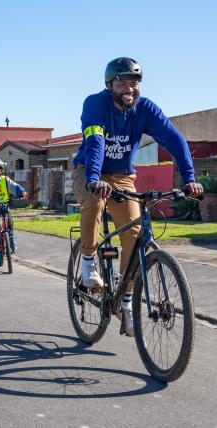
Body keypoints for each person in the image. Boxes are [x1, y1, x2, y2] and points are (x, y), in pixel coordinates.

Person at [73, 57, 203, 336]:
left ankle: (127, 304)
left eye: (133, 82)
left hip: (122, 177)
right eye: (122, 83)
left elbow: (174, 139)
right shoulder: (95, 104)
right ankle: (87, 263)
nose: (128, 88)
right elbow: (96, 141)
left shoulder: (145, 109)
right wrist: (94, 178)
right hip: (89, 171)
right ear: (110, 85)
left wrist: (189, 178)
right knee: (94, 202)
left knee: (134, 234)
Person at [0, 158, 28, 252]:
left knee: (9, 222)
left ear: (0, 171)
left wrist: (22, 192)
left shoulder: (5, 180)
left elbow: (15, 186)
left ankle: (11, 241)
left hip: (4, 204)